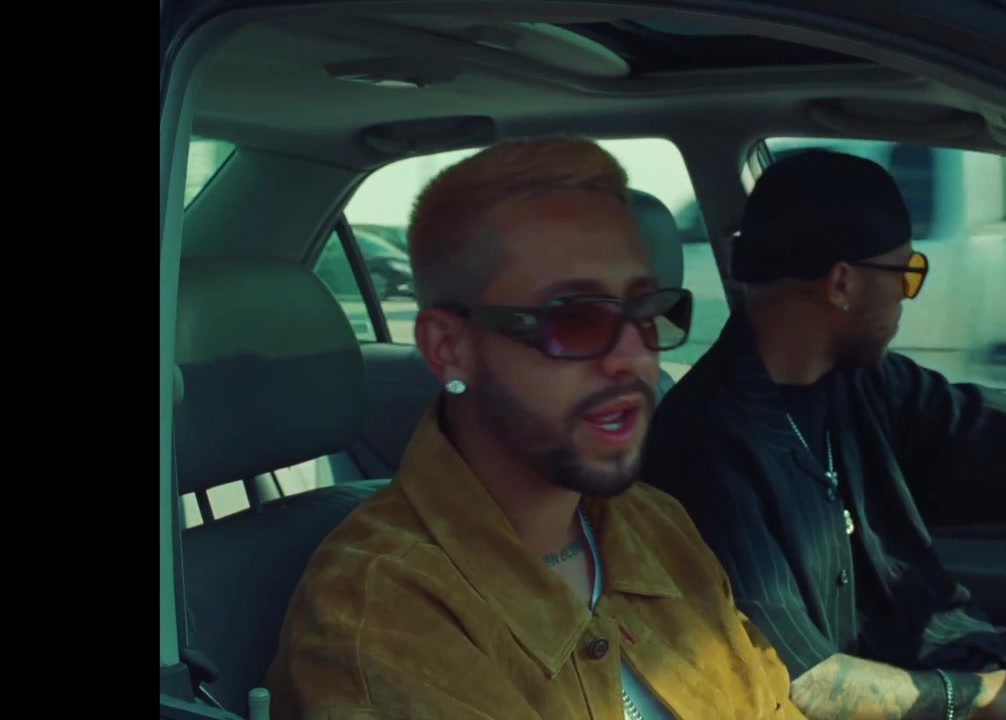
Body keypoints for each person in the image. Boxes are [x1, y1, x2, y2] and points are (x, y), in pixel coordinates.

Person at [263, 137, 807, 720]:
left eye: (647, 311)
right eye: (574, 319)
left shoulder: (656, 523)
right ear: (449, 349)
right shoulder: (379, 611)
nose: (634, 357)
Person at [641, 149, 1006, 720]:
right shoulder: (704, 449)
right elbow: (801, 684)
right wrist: (983, 695)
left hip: (966, 662)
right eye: (907, 274)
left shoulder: (867, 382)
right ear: (842, 284)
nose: (907, 296)